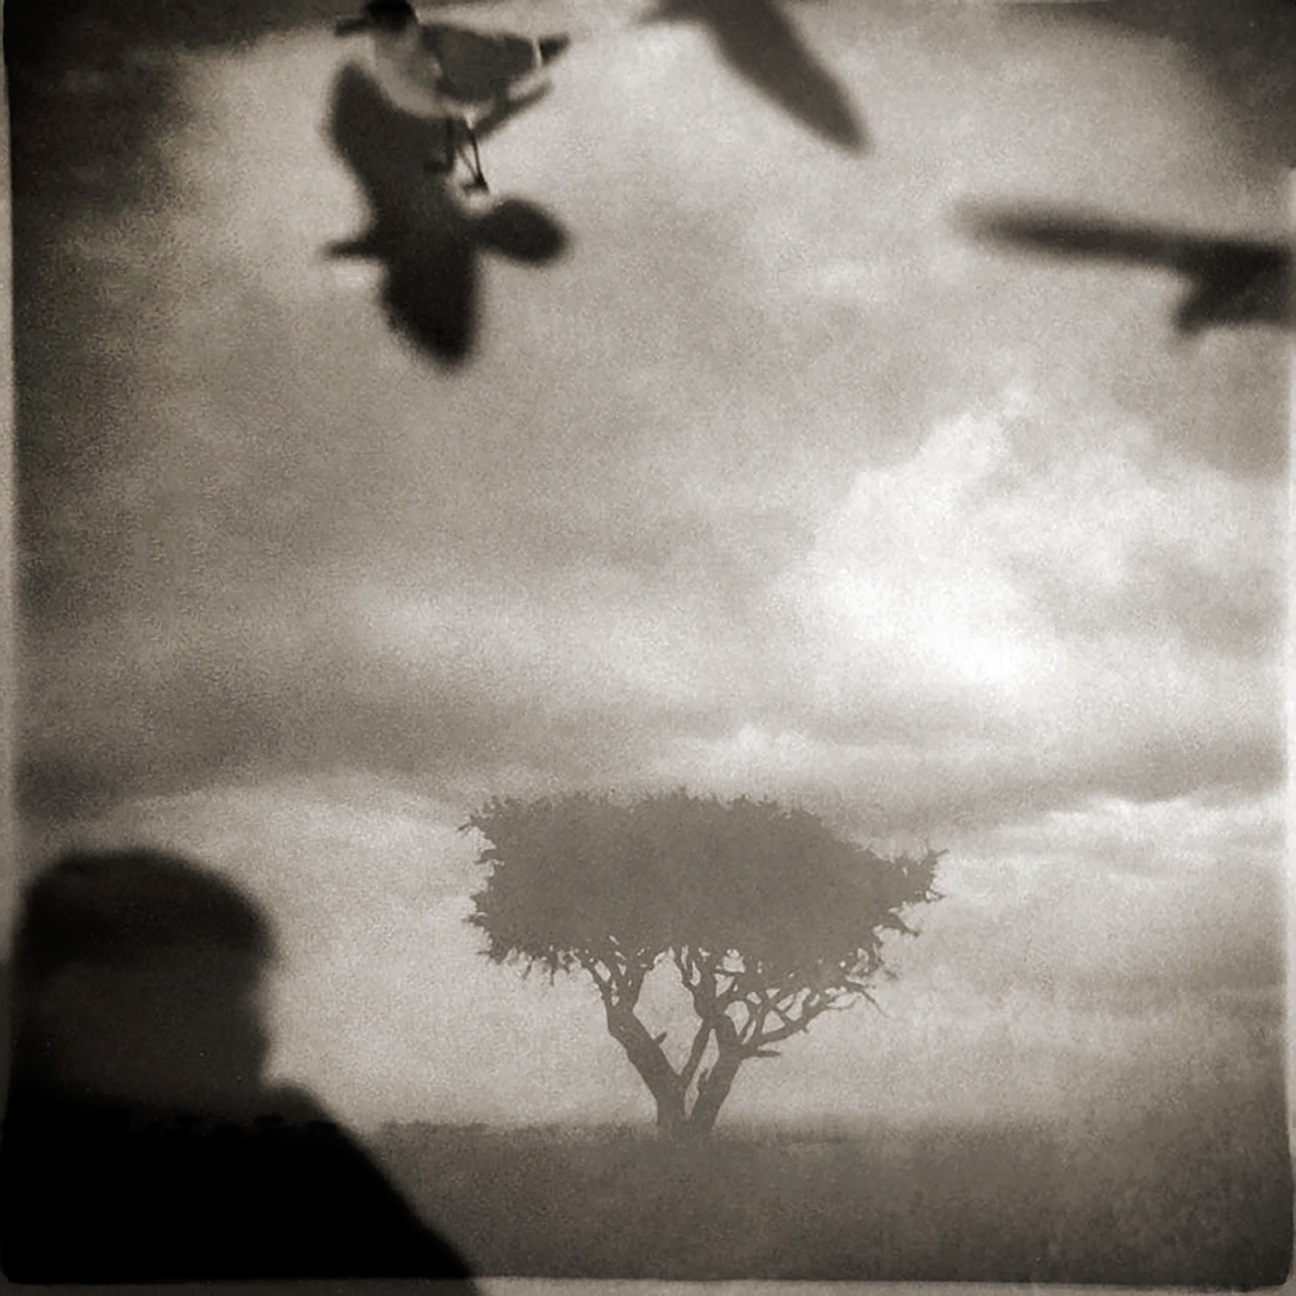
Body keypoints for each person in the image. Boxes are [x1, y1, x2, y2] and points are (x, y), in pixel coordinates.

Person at [1, 847, 477, 1284]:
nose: (256, 1037)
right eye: (208, 999)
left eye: (246, 999)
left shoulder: (275, 1148)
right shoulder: (276, 1151)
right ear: (79, 1001)